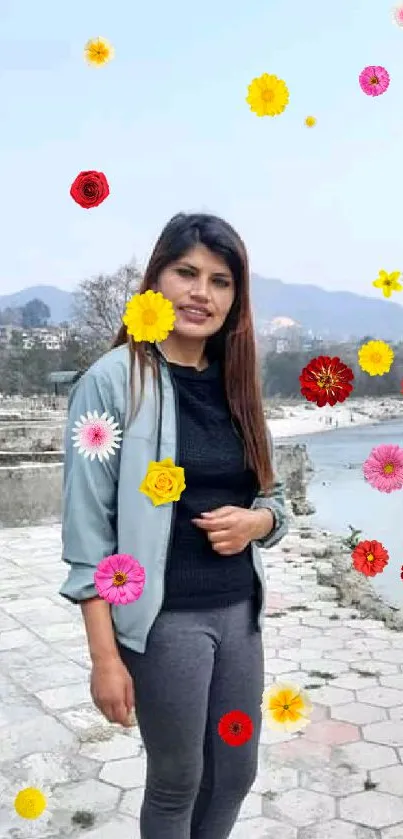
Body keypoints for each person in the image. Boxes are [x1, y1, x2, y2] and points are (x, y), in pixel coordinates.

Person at [60, 213, 288, 839]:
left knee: (235, 772)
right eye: (186, 273)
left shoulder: (239, 386)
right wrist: (105, 658)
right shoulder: (112, 383)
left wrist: (257, 521)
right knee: (177, 780)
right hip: (165, 628)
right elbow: (87, 538)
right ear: (155, 280)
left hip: (239, 617)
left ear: (234, 298)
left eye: (220, 281)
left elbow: (278, 499)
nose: (201, 293)